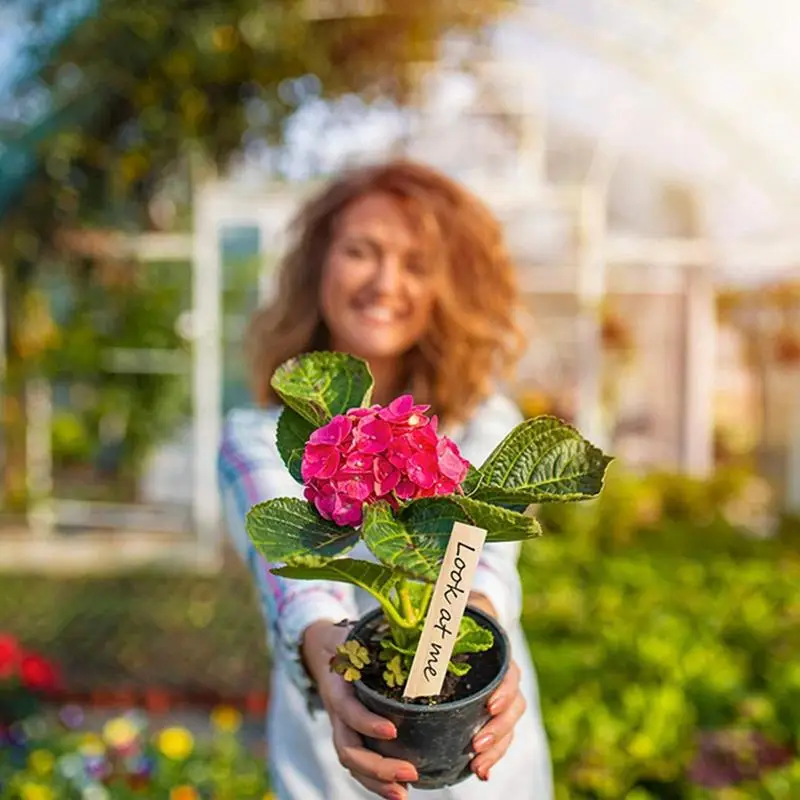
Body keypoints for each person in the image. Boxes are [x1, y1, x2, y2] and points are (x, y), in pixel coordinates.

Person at [218, 160, 554, 800]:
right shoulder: (259, 435)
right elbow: (292, 577)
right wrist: (328, 659)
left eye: (416, 263)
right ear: (320, 261)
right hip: (334, 757)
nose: (384, 282)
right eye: (359, 252)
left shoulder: (482, 422)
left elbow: (482, 563)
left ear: (446, 287)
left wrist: (477, 629)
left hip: (485, 758)